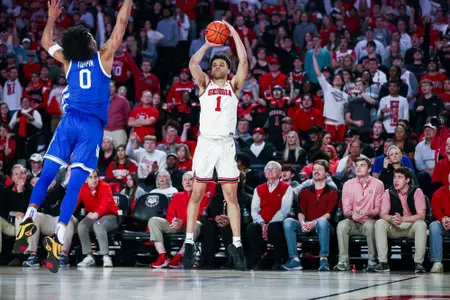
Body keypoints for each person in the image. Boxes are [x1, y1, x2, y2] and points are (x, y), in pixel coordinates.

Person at [14, 0, 133, 273]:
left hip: (68, 122)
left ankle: (30, 215)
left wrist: (52, 17)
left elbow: (45, 42)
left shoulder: (67, 61)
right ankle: (58, 233)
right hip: (90, 127)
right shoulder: (103, 57)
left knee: (46, 175)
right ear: (90, 44)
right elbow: (121, 25)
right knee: (75, 184)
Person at [182, 20, 248, 271]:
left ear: (228, 70)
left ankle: (237, 244)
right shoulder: (204, 85)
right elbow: (192, 64)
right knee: (197, 193)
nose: (217, 66)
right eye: (215, 64)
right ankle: (189, 242)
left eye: (221, 64)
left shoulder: (234, 86)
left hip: (226, 144)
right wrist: (209, 44)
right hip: (207, 143)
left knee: (231, 196)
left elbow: (244, 62)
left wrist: (234, 35)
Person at [281, 160, 338, 272]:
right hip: (306, 224)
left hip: (323, 226)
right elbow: (300, 211)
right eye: (314, 169)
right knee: (288, 221)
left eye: (319, 170)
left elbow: (329, 214)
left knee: (322, 222)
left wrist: (314, 223)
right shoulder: (305, 190)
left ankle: (323, 259)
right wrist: (303, 223)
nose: (316, 172)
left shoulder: (333, 191)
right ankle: (294, 259)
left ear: (327, 173)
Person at [334, 157, 384, 272]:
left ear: (369, 169)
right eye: (357, 166)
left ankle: (372, 260)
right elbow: (346, 210)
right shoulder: (347, 184)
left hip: (370, 220)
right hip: (353, 221)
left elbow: (378, 210)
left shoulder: (378, 184)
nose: (358, 168)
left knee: (370, 226)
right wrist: (352, 214)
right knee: (342, 225)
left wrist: (367, 213)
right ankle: (343, 262)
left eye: (362, 165)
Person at [148, 172, 207, 269]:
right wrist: (173, 221)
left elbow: (200, 216)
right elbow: (170, 214)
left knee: (196, 224)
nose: (188, 182)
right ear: (182, 183)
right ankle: (163, 256)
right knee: (154, 220)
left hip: (191, 226)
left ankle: (179, 256)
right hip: (175, 226)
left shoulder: (203, 196)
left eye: (191, 179)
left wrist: (182, 222)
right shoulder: (176, 196)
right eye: (185, 180)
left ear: (196, 182)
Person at [374, 167, 427, 273]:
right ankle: (383, 263)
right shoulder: (388, 192)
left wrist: (403, 219)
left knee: (421, 224)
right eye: (394, 177)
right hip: (395, 226)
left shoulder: (417, 191)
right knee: (379, 223)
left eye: (400, 177)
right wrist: (391, 219)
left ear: (407, 180)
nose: (396, 180)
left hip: (411, 227)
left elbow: (421, 215)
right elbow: (382, 213)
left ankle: (418, 264)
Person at [247, 161, 293, 270]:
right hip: (262, 222)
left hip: (278, 222)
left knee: (274, 227)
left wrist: (269, 224)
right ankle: (259, 258)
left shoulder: (287, 188)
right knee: (251, 228)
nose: (270, 170)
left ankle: (278, 259)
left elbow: (284, 210)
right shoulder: (258, 189)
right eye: (267, 168)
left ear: (280, 172)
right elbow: (254, 210)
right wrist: (263, 223)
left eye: (274, 168)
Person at [76, 171, 119, 268]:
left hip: (110, 215)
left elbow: (105, 205)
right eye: (90, 177)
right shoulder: (82, 188)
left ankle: (106, 256)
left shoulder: (105, 186)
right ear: (86, 180)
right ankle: (89, 256)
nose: (94, 180)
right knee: (81, 226)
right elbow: (75, 203)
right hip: (95, 216)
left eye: (95, 177)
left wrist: (96, 214)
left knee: (98, 225)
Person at [429, 173, 450, 273]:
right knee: (434, 226)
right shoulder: (439, 192)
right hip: (444, 223)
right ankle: (437, 262)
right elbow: (436, 209)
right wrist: (442, 219)